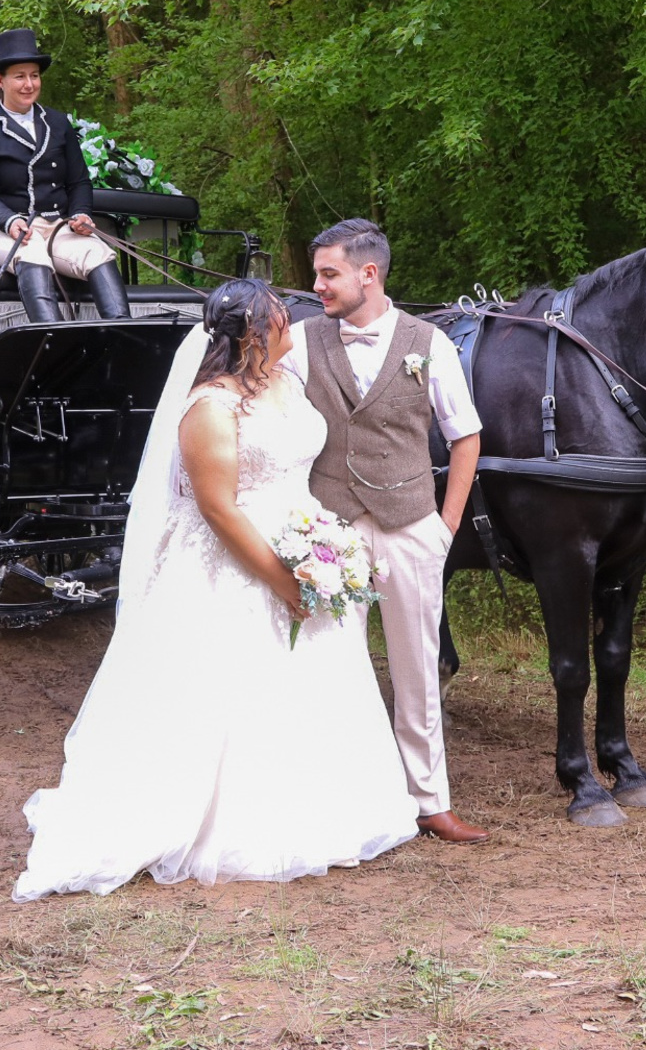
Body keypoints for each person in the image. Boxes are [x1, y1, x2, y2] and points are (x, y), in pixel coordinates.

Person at [13, 280, 418, 901]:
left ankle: (316, 804)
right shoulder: (211, 408)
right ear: (254, 335)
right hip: (229, 565)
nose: (294, 327)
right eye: (283, 320)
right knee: (223, 686)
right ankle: (213, 823)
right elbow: (220, 511)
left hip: (301, 543)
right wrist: (285, 580)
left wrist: (322, 552)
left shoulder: (286, 383)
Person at [284, 219, 490, 844]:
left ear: (368, 273)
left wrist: (445, 527)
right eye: (318, 273)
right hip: (329, 532)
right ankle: (335, 796)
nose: (317, 285)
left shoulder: (430, 343)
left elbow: (466, 435)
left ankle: (431, 802)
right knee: (327, 666)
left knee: (417, 668)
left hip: (409, 528)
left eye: (328, 274)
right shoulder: (298, 342)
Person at [0, 28, 131, 322]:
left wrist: (81, 214)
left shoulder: (58, 123)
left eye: (34, 75)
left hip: (57, 226)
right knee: (33, 256)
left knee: (97, 253)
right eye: (20, 76)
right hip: (5, 230)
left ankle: (121, 335)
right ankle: (50, 343)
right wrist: (10, 222)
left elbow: (78, 181)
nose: (29, 84)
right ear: (1, 80)